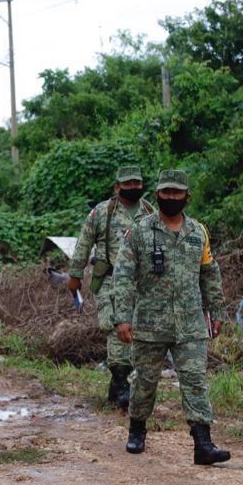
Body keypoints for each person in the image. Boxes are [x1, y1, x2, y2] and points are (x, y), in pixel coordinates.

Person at [112, 169, 231, 465]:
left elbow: (209, 273)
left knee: (195, 381)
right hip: (150, 324)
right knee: (145, 382)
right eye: (166, 193)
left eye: (177, 193)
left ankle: (203, 443)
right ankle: (137, 430)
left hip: (190, 323)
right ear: (157, 195)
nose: (171, 198)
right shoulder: (139, 232)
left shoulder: (197, 232)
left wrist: (217, 310)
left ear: (187, 197)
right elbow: (123, 277)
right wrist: (122, 318)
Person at [67, 166, 154, 410]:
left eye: (138, 183)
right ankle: (121, 382)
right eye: (128, 184)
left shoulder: (149, 212)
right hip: (109, 280)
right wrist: (75, 275)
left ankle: (119, 386)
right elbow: (84, 243)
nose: (134, 187)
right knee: (116, 327)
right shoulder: (102, 212)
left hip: (140, 283)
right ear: (117, 187)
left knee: (137, 331)